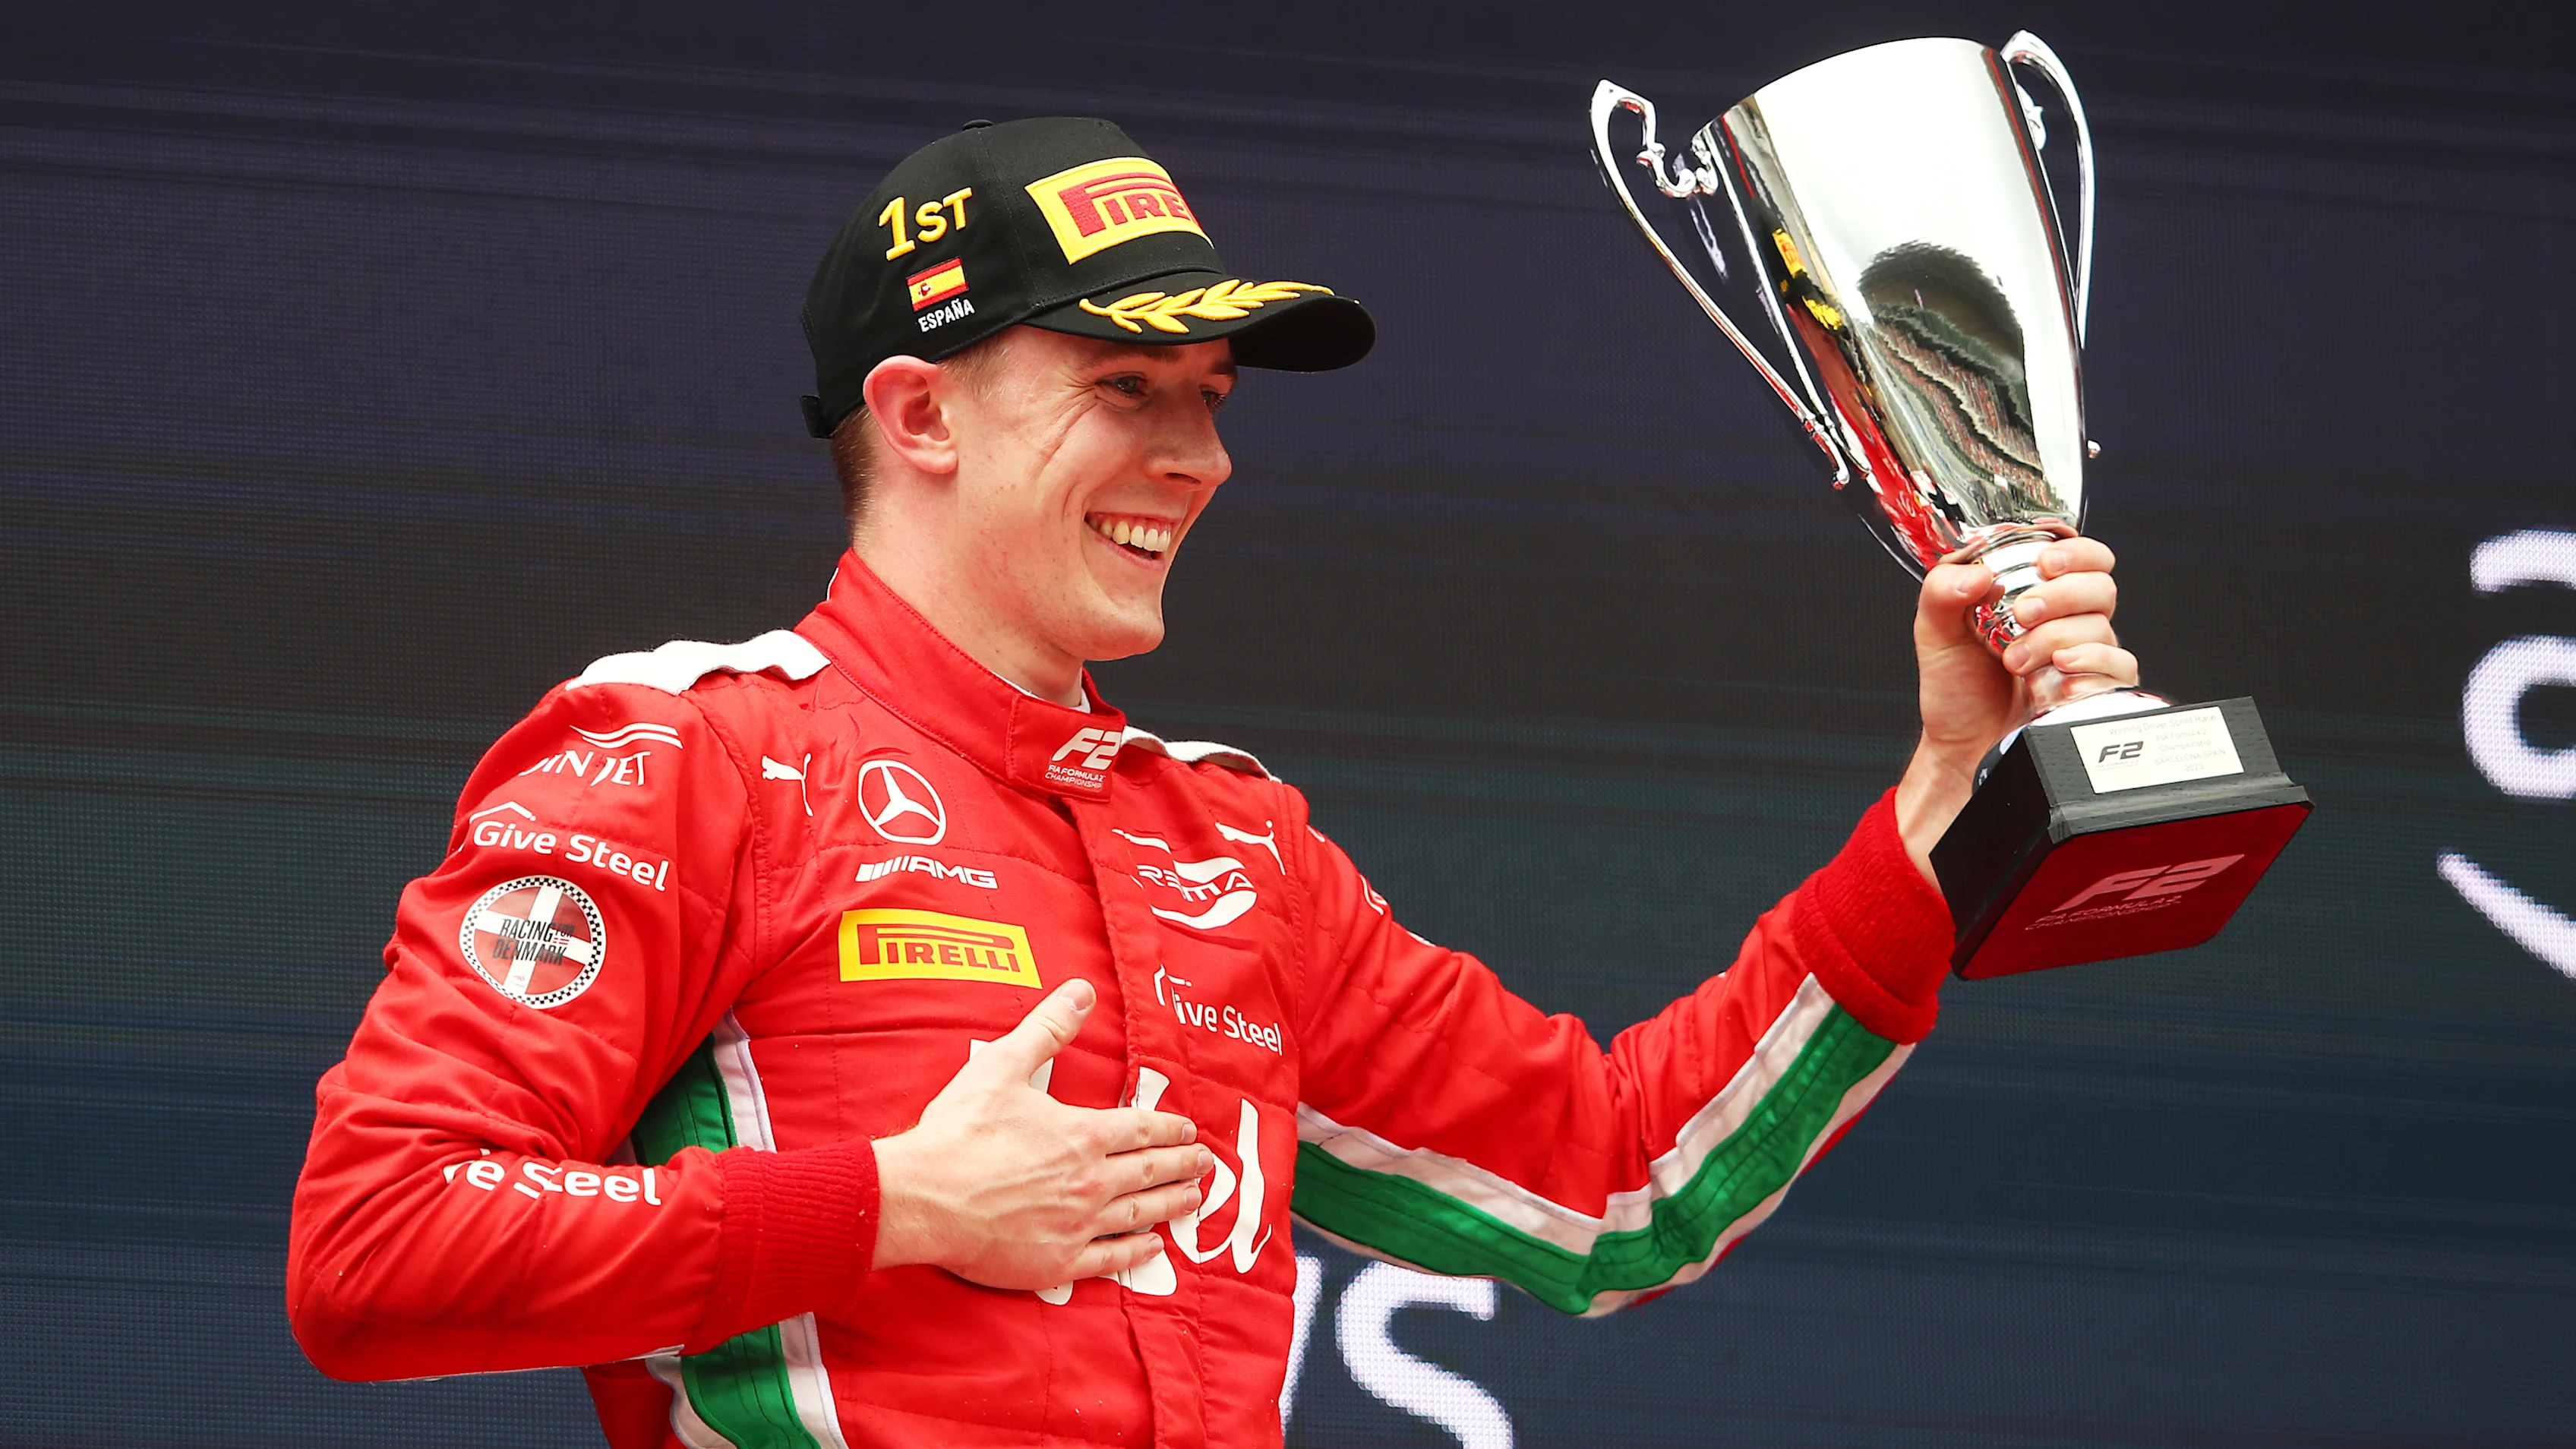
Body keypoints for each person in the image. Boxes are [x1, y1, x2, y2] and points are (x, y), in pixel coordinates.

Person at [286, 116, 2137, 1448]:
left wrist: (1952, 790)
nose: (1199, 458)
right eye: (1126, 387)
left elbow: (1620, 1189)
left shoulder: (1227, 843)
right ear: (918, 414)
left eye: (1216, 400)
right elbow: (376, 1247)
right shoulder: (685, 757)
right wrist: (894, 1206)